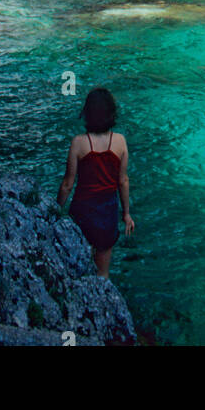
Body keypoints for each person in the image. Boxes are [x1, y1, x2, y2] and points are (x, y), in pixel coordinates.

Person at [56, 87, 134, 278]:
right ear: (111, 113)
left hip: (82, 211)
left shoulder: (79, 142)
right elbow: (123, 181)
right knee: (102, 273)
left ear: (87, 113)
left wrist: (55, 210)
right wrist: (126, 214)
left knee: (78, 265)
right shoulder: (120, 142)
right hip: (107, 214)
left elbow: (68, 183)